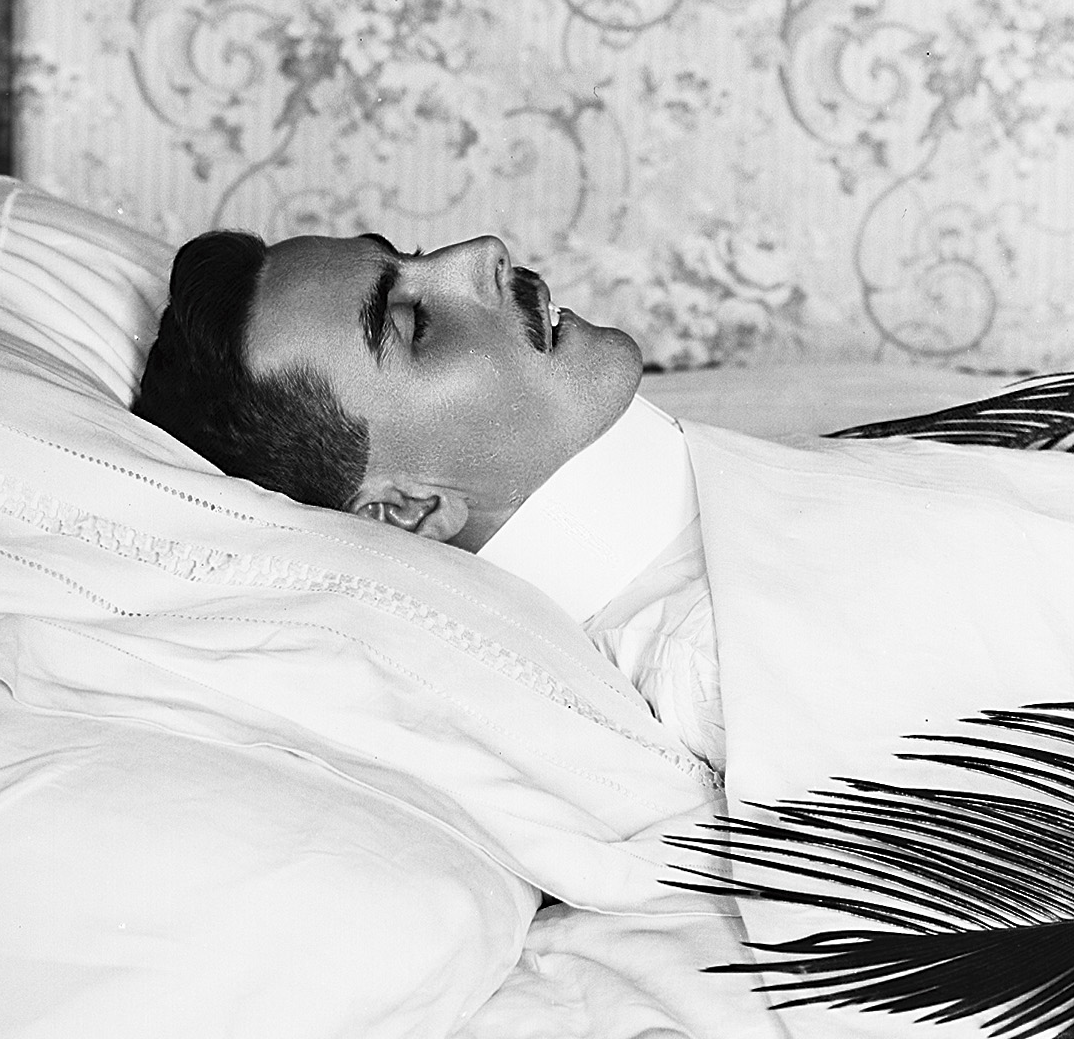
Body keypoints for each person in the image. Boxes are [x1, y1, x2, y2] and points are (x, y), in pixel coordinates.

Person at [133, 229, 728, 765]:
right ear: (406, 510)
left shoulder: (711, 549)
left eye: (412, 256)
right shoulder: (715, 668)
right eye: (413, 324)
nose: (483, 252)